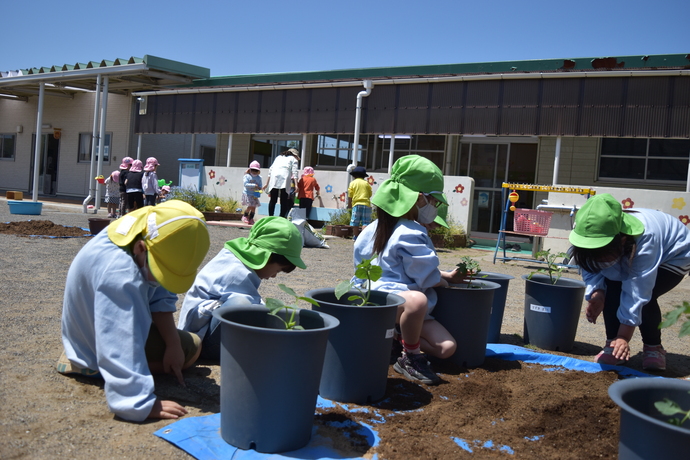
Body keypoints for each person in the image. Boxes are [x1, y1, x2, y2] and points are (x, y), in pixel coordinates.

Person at [57, 200, 211, 422]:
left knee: (181, 347)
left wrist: (172, 344)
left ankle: (85, 356)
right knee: (193, 347)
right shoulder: (121, 275)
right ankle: (89, 363)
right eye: (160, 273)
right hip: (95, 340)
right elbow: (119, 336)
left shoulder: (143, 230)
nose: (160, 280)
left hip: (85, 329)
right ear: (140, 248)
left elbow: (160, 292)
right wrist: (136, 402)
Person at [351, 155, 463, 385]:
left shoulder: (374, 227)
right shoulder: (410, 231)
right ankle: (410, 357)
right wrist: (442, 280)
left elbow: (411, 271)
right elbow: (426, 277)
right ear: (419, 199)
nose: (434, 207)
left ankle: (397, 338)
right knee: (418, 301)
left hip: (387, 303)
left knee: (446, 348)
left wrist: (447, 276)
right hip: (386, 304)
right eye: (434, 201)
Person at [569, 193, 690, 371]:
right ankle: (612, 345)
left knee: (647, 298)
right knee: (611, 289)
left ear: (622, 240)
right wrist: (597, 292)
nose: (599, 261)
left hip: (675, 253)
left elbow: (638, 291)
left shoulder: (647, 238)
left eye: (603, 255)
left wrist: (624, 336)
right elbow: (588, 264)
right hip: (629, 251)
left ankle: (653, 347)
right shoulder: (584, 233)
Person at [178, 217, 307, 362]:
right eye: (278, 270)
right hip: (199, 341)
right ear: (267, 257)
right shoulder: (237, 272)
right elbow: (252, 309)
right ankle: (222, 353)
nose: (274, 276)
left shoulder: (237, 257)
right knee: (241, 307)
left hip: (203, 326)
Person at [263, 148, 299, 218]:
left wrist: (267, 183)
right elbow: (295, 172)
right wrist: (296, 185)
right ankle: (281, 217)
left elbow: (270, 170)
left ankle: (270, 217)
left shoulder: (278, 157)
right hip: (285, 177)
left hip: (274, 177)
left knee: (273, 200)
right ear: (294, 155)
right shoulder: (293, 159)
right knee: (284, 200)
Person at [347, 166, 373, 230]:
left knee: (355, 222)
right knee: (366, 222)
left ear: (354, 176)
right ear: (364, 176)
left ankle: (355, 237)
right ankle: (364, 237)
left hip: (356, 204)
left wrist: (350, 205)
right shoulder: (366, 183)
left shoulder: (352, 183)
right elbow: (370, 194)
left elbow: (350, 195)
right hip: (366, 204)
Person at [241, 161, 263, 225]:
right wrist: (254, 185)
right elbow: (245, 184)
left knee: (254, 207)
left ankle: (251, 218)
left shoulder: (259, 178)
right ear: (250, 169)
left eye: (256, 170)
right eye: (253, 170)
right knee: (250, 206)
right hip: (248, 194)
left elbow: (260, 185)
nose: (254, 172)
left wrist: (259, 190)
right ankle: (245, 215)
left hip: (255, 194)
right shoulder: (247, 176)